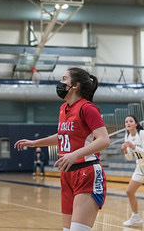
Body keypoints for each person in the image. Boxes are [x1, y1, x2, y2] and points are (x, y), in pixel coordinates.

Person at [14, 67, 110, 231]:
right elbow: (62, 136)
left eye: (64, 79)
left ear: (75, 85)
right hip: (67, 174)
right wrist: (34, 143)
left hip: (86, 172)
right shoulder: (63, 108)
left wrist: (74, 155)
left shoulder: (87, 108)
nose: (60, 83)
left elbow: (104, 140)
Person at [121, 115, 144, 226]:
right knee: (129, 192)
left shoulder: (142, 134)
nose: (128, 123)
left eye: (131, 121)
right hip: (140, 168)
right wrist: (126, 150)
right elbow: (130, 158)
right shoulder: (127, 136)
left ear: (136, 123)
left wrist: (134, 147)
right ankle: (135, 217)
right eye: (126, 122)